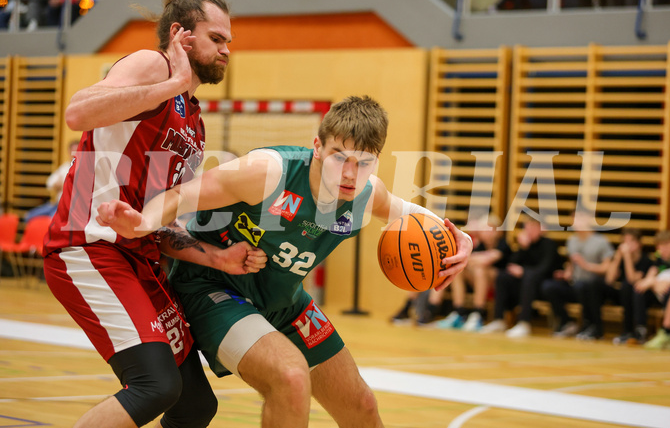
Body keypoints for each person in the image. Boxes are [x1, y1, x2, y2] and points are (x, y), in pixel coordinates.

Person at [97, 95, 475, 427]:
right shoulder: (267, 172)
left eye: (363, 162)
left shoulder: (366, 194)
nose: (349, 173)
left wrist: (463, 239)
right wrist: (144, 222)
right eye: (339, 157)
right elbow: (182, 194)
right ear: (317, 146)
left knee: (361, 404)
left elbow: (414, 216)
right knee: (290, 376)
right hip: (213, 286)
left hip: (283, 300)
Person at [41, 0, 266, 428]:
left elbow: (155, 221)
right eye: (216, 37)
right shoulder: (152, 66)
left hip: (138, 258)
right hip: (88, 246)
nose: (226, 48)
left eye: (229, 40)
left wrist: (218, 258)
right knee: (155, 386)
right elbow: (77, 112)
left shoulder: (195, 125)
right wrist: (173, 79)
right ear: (180, 37)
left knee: (195, 405)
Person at [480, 214, 562, 337]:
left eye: (533, 227)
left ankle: (524, 323)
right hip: (525, 284)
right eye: (527, 227)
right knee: (503, 276)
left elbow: (545, 269)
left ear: (540, 229)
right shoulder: (525, 245)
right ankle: (498, 320)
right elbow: (512, 263)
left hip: (544, 284)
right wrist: (523, 248)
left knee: (529, 277)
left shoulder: (548, 244)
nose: (529, 230)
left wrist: (524, 271)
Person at [540, 210, 614, 340]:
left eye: (578, 218)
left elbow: (607, 268)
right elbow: (571, 264)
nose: (575, 222)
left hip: (596, 288)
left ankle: (593, 326)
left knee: (585, 286)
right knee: (549, 286)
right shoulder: (572, 240)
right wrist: (566, 273)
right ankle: (566, 322)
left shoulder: (600, 241)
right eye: (573, 218)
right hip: (576, 285)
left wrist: (586, 265)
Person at [435, 213, 509, 332]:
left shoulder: (503, 244)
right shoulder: (481, 246)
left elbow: (487, 260)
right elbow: (468, 260)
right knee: (459, 269)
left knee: (480, 269)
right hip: (478, 282)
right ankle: (458, 312)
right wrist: (475, 258)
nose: (486, 232)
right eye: (484, 229)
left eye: (490, 229)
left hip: (500, 286)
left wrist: (475, 259)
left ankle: (478, 313)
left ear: (497, 231)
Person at [605, 227, 653, 345]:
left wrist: (626, 257)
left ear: (639, 243)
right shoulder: (620, 258)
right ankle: (627, 331)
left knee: (628, 286)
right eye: (625, 241)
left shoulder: (645, 260)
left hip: (642, 298)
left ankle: (638, 330)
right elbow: (609, 280)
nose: (627, 245)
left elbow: (632, 279)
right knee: (622, 288)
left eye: (631, 241)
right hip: (624, 297)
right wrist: (617, 257)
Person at [25, 139, 79, 222]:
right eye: (72, 151)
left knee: (51, 221)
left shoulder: (84, 169)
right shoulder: (64, 168)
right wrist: (59, 185)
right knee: (29, 216)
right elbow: (50, 182)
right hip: (57, 204)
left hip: (71, 207)